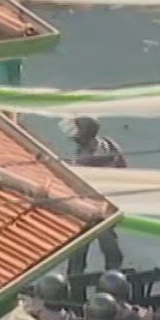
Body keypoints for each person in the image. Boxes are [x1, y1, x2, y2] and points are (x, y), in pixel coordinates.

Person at [65, 117, 127, 276]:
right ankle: (114, 274)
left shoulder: (86, 158)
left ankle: (78, 281)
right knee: (107, 245)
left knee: (80, 250)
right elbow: (124, 169)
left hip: (92, 208)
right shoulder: (109, 144)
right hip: (105, 205)